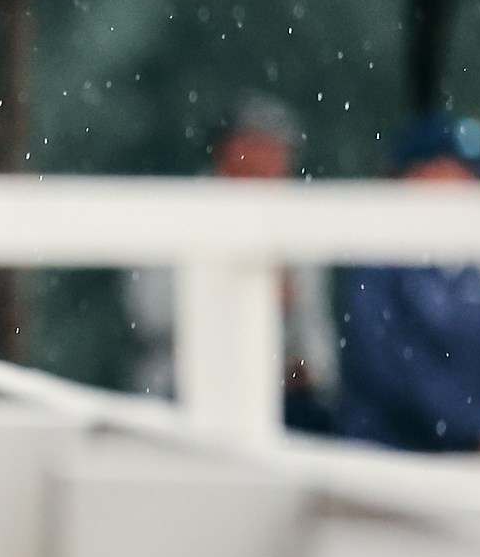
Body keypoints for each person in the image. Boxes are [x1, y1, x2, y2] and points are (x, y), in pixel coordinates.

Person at [125, 96, 338, 430]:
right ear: (226, 152)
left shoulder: (297, 225)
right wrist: (231, 297)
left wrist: (305, 364)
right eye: (258, 148)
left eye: (277, 151)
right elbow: (147, 314)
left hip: (280, 398)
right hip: (182, 387)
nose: (269, 161)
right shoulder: (179, 214)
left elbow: (315, 340)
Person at [335, 112, 480, 454]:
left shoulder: (469, 265)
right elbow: (387, 369)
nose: (465, 185)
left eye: (471, 174)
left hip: (462, 467)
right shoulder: (376, 262)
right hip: (388, 468)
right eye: (449, 171)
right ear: (413, 176)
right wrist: (474, 425)